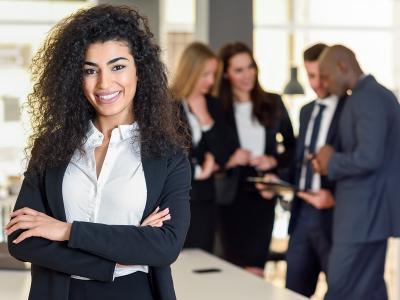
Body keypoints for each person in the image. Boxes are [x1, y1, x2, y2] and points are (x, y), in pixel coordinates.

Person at [5, 5, 191, 300]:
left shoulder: (168, 156)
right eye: (90, 70)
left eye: (118, 66)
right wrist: (115, 259)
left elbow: (165, 246)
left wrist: (65, 231)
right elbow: (21, 240)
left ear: (139, 70)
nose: (104, 83)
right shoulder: (51, 147)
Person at [315, 44, 400, 300]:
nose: (324, 84)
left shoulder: (369, 97)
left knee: (340, 286)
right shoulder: (372, 95)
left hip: (362, 215)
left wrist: (330, 161)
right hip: (369, 214)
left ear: (343, 66)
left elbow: (369, 157)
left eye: (326, 76)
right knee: (369, 288)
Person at [215, 42, 295, 277]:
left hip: (262, 194)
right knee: (233, 268)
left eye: (250, 67)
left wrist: (273, 161)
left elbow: (292, 147)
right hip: (230, 196)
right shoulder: (218, 108)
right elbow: (209, 150)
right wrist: (231, 158)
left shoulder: (273, 101)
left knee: (256, 268)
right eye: (239, 70)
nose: (247, 74)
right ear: (227, 74)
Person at [281, 43, 345, 297]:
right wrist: (277, 179)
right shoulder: (306, 112)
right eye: (310, 76)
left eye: (322, 75)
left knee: (340, 290)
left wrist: (336, 198)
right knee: (293, 292)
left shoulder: (350, 109)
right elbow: (300, 163)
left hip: (334, 217)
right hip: (302, 215)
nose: (316, 83)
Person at [170, 42, 230, 252]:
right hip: (174, 200)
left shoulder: (212, 104)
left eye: (214, 74)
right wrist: (198, 170)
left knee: (202, 260)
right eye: (205, 74)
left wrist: (205, 119)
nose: (211, 81)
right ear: (190, 71)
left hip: (204, 199)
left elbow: (224, 154)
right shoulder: (166, 104)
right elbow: (164, 154)